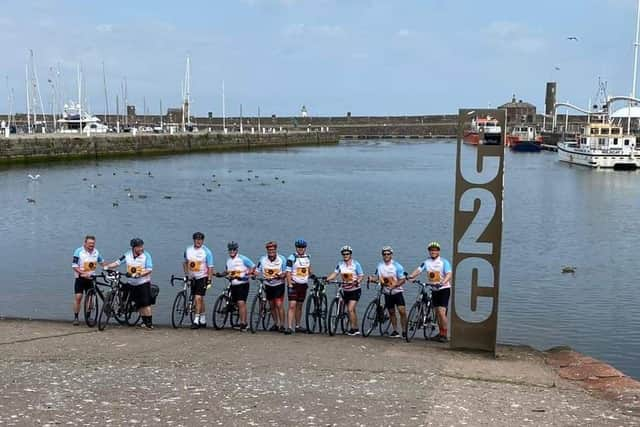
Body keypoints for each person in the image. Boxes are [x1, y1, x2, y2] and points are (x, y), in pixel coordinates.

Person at [106, 238, 155, 329]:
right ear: (133, 248)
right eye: (139, 247)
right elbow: (117, 262)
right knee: (138, 304)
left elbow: (149, 269)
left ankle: (149, 323)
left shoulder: (146, 255)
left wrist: (139, 274)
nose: (141, 248)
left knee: (145, 304)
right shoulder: (127, 255)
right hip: (131, 283)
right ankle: (143, 321)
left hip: (143, 283)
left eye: (141, 246)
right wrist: (107, 266)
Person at [407, 241, 452, 342]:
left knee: (441, 312)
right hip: (433, 289)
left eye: (435, 250)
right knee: (437, 312)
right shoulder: (426, 262)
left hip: (443, 289)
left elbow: (449, 274)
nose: (433, 252)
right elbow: (418, 270)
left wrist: (443, 282)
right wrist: (411, 276)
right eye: (431, 250)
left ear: (438, 251)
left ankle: (444, 335)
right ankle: (440, 333)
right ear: (429, 251)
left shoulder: (444, 262)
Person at [326, 245, 364, 336]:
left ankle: (353, 329)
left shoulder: (356, 264)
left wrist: (357, 281)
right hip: (345, 290)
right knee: (352, 310)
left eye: (347, 254)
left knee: (350, 309)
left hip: (355, 290)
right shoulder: (340, 264)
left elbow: (361, 276)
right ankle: (356, 328)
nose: (345, 255)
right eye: (343, 254)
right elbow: (335, 274)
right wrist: (327, 279)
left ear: (350, 254)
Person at [370, 246, 407, 338]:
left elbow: (403, 280)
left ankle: (404, 330)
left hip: (397, 292)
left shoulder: (397, 266)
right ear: (382, 255)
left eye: (388, 254)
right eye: (384, 254)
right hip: (387, 293)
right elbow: (376, 276)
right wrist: (371, 279)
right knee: (391, 312)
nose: (386, 255)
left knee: (402, 311)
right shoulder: (379, 265)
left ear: (391, 255)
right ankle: (395, 331)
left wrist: (396, 285)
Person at [71, 235, 106, 325]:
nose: (92, 245)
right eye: (90, 243)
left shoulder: (96, 252)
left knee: (90, 298)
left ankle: (88, 316)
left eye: (93, 243)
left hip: (91, 278)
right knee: (78, 297)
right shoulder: (78, 251)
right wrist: (82, 273)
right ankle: (76, 317)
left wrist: (108, 268)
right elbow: (74, 266)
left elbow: (102, 262)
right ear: (85, 243)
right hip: (80, 278)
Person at [183, 232, 215, 329]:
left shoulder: (207, 252)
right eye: (197, 239)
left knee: (197, 298)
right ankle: (203, 319)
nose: (198, 241)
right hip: (193, 277)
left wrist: (209, 280)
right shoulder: (188, 250)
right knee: (199, 299)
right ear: (194, 240)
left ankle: (196, 320)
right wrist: (186, 275)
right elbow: (185, 262)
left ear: (203, 241)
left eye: (200, 239)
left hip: (203, 277)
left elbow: (210, 267)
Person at [256, 241, 287, 332]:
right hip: (268, 284)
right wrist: (254, 274)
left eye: (273, 250)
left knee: (279, 304)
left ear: (276, 250)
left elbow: (286, 271)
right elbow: (258, 270)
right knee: (272, 305)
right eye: (269, 250)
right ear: (267, 250)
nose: (271, 252)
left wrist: (282, 275)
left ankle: (282, 325)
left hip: (279, 284)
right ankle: (276, 324)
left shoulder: (282, 259)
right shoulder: (262, 259)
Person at [224, 241, 255, 332]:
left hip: (243, 284)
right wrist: (219, 274)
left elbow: (253, 266)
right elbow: (227, 271)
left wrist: (248, 273)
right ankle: (239, 321)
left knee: (241, 303)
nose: (232, 251)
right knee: (236, 304)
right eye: (230, 250)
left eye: (234, 249)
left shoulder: (243, 258)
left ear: (237, 250)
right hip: (233, 284)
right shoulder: (228, 260)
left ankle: (244, 323)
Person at [284, 239, 312, 335]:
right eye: (299, 247)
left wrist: (313, 275)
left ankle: (298, 325)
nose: (301, 249)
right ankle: (289, 327)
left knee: (300, 306)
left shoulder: (307, 257)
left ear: (305, 248)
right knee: (292, 305)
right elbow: (287, 272)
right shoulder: (291, 258)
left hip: (303, 285)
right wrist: (289, 284)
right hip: (294, 284)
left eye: (302, 247)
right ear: (296, 248)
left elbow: (308, 269)